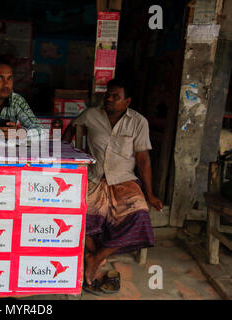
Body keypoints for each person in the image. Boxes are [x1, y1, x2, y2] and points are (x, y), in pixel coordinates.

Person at [63, 79, 163, 294]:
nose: (108, 98)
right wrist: (66, 156)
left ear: (127, 101)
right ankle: (98, 257)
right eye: (107, 94)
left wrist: (150, 194)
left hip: (124, 180)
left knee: (140, 216)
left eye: (115, 96)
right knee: (77, 217)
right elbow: (70, 131)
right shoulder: (90, 114)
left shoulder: (138, 122)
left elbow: (143, 159)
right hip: (94, 178)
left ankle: (95, 258)